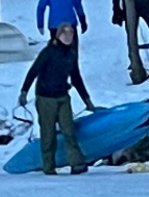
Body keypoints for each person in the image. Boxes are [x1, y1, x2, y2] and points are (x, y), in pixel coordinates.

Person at [17, 23, 94, 175]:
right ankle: (48, 166)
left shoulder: (71, 54)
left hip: (63, 97)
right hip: (45, 98)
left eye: (71, 33)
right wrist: (24, 92)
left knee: (69, 131)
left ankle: (77, 164)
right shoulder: (48, 52)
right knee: (48, 134)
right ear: (58, 35)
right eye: (64, 33)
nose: (68, 36)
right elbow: (34, 71)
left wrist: (87, 100)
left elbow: (76, 78)